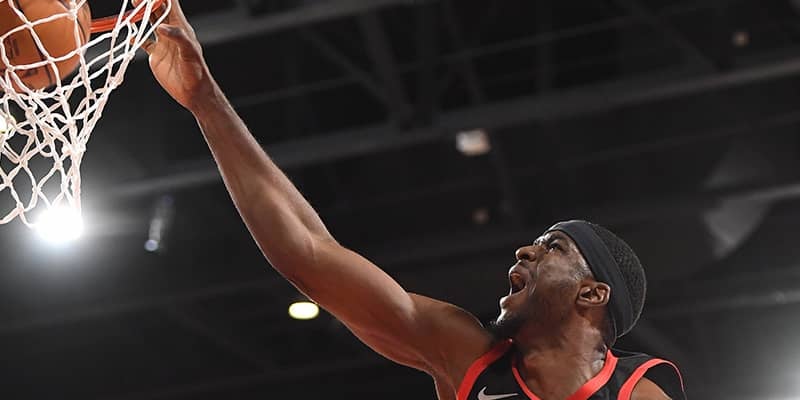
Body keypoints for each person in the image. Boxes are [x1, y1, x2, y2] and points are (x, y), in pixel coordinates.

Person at [140, 1, 686, 399]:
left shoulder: (636, 393)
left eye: (554, 248)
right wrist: (205, 99)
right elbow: (308, 252)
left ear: (592, 293)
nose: (525, 251)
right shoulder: (467, 354)